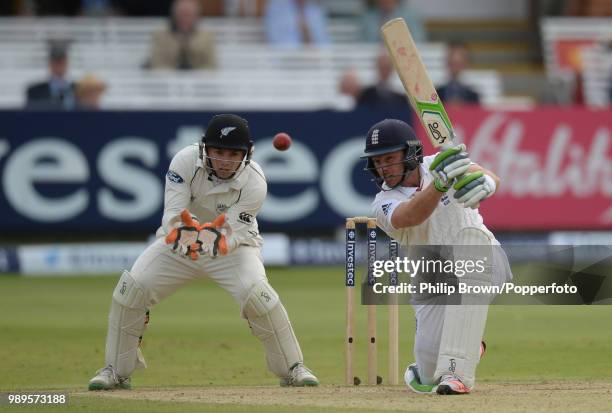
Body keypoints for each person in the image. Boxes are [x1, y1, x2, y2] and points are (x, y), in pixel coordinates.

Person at [88, 114, 319, 390]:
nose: (225, 160)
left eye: (234, 153)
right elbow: (172, 214)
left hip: (232, 248)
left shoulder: (255, 181)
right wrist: (182, 230)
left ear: (247, 154)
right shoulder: (184, 162)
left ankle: (293, 368)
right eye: (218, 151)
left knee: (259, 296)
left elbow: (233, 232)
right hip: (179, 244)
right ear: (204, 149)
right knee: (131, 290)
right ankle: (116, 371)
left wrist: (217, 239)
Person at [360, 118, 512, 395]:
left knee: (469, 262)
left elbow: (488, 175)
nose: (384, 168)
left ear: (410, 154)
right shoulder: (382, 203)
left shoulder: (440, 161)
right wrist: (440, 185)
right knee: (430, 373)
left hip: (482, 255)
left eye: (390, 158)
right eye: (378, 161)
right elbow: (411, 215)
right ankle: (467, 345)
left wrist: (487, 184)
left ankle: (460, 377)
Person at [147, 0, 217, 70]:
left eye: (189, 14)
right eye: (182, 14)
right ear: (174, 15)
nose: (185, 18)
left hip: (198, 79)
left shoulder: (206, 37)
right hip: (167, 78)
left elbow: (211, 65)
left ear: (196, 16)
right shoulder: (160, 36)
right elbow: (157, 64)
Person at [25, 42, 76, 110]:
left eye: (62, 62)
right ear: (50, 64)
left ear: (67, 63)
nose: (59, 67)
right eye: (56, 62)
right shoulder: (35, 92)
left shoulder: (78, 90)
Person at [264, 0, 330, 48]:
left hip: (314, 59)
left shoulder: (316, 11)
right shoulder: (277, 9)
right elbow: (275, 39)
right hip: (286, 59)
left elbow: (324, 43)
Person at [361, 0, 426, 43]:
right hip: (371, 60)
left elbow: (418, 41)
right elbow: (361, 44)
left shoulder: (411, 15)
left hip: (404, 60)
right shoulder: (367, 17)